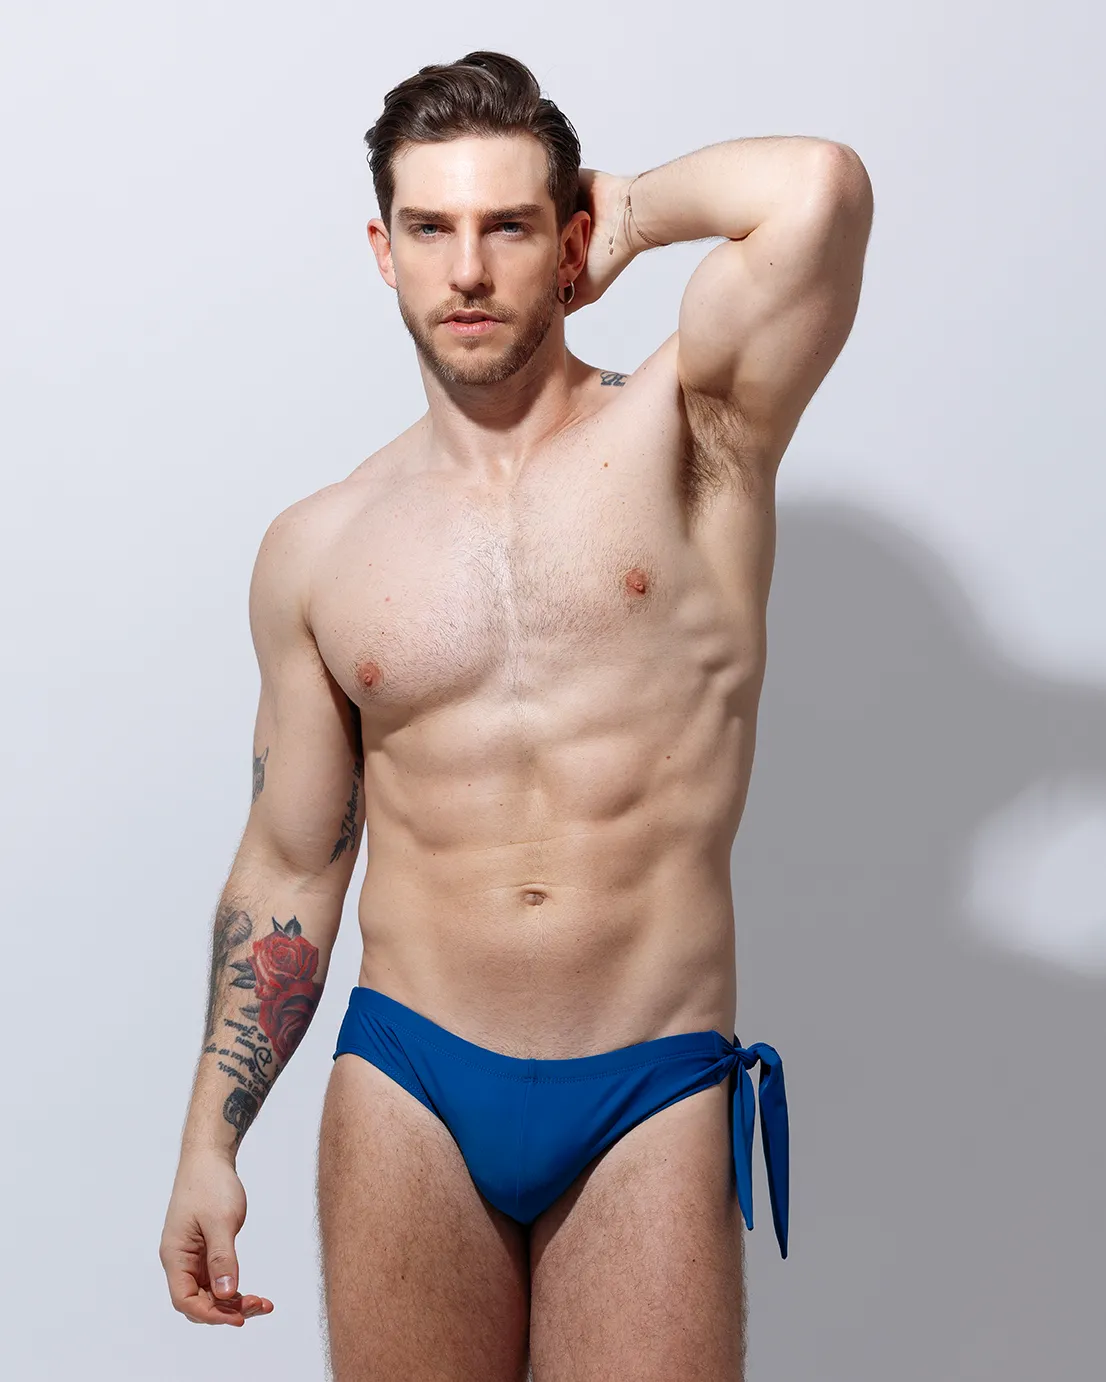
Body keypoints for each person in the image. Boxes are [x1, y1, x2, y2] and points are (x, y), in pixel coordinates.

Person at [159, 48, 872, 1381]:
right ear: (384, 252)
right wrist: (211, 1139)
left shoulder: (691, 433)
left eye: (509, 226)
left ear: (569, 241)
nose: (469, 271)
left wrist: (633, 212)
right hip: (411, 1082)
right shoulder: (318, 548)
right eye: (431, 229)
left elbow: (818, 189)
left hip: (647, 1077)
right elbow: (292, 861)